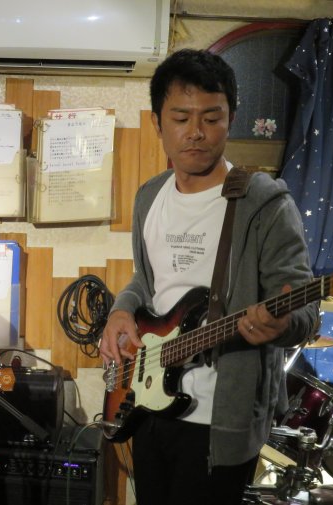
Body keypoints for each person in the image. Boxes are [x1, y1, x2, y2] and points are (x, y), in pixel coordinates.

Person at [99, 49, 319, 505]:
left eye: (212, 118)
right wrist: (122, 309)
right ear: (158, 123)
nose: (196, 131)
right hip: (149, 403)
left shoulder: (265, 204)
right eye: (181, 117)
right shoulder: (149, 196)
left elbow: (305, 311)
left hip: (220, 420)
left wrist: (282, 325)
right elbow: (148, 280)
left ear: (231, 119)